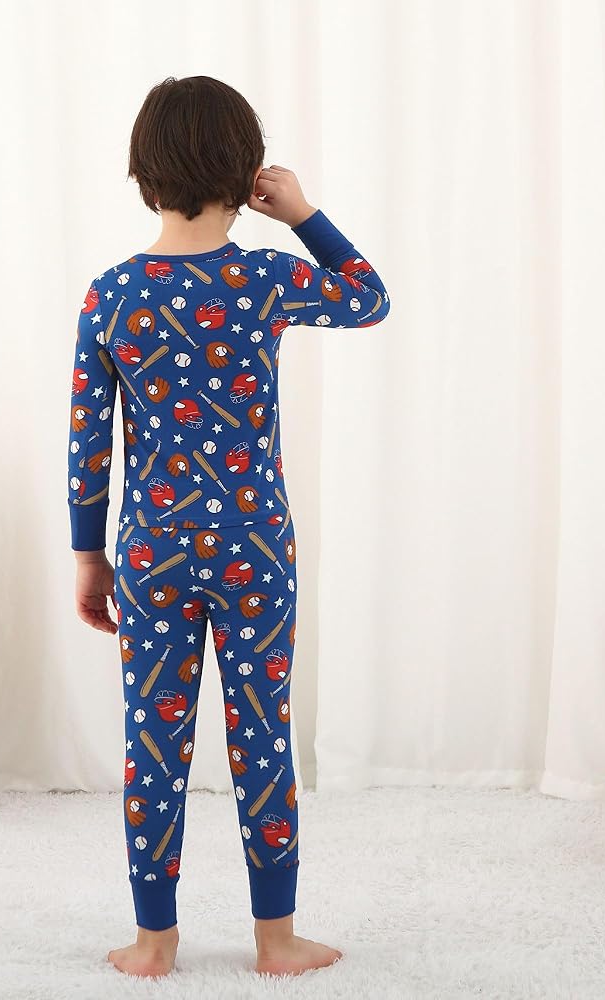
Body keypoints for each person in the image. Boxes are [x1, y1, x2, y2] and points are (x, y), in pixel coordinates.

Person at [67, 75, 390, 979]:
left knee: (151, 741)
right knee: (263, 736)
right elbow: (367, 297)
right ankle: (276, 940)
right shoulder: (267, 277)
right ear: (245, 172)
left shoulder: (112, 293)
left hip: (150, 553)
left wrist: (88, 556)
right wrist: (303, 215)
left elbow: (89, 440)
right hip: (255, 550)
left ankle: (153, 941)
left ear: (142, 173)